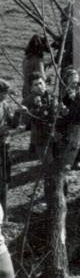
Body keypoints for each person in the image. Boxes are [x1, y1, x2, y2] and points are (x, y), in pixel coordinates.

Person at [52, 69, 80, 176]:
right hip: (70, 120)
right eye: (72, 80)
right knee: (71, 141)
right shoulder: (64, 92)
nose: (75, 82)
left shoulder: (78, 89)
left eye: (76, 80)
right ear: (66, 80)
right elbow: (63, 106)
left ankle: (77, 160)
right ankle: (68, 161)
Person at [0, 81, 22, 213]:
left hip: (4, 146)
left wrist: (19, 113)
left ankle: (4, 211)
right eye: (4, 93)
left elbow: (13, 124)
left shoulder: (5, 105)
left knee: (5, 179)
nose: (6, 96)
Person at [22, 34, 50, 102]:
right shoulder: (37, 59)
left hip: (26, 87)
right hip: (35, 89)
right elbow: (41, 75)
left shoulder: (26, 58)